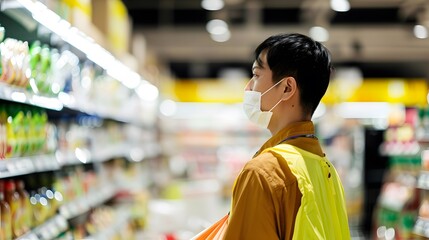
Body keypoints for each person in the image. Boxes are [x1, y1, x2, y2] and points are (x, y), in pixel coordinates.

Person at [223, 33, 351, 239]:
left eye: (256, 75)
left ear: (287, 88)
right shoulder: (327, 171)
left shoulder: (263, 172)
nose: (248, 87)